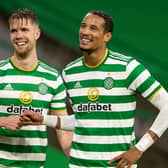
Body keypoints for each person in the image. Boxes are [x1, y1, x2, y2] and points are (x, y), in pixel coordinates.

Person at [22, 10, 168, 168]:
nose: (85, 31)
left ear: (107, 36)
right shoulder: (69, 72)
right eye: (83, 26)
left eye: (93, 28)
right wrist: (43, 119)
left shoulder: (128, 68)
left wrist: (140, 148)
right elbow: (84, 119)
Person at [0, 8, 72, 168]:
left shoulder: (53, 78)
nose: (18, 35)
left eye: (24, 29)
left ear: (37, 33)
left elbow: (64, 130)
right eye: (13, 31)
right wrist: (3, 121)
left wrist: (81, 161)